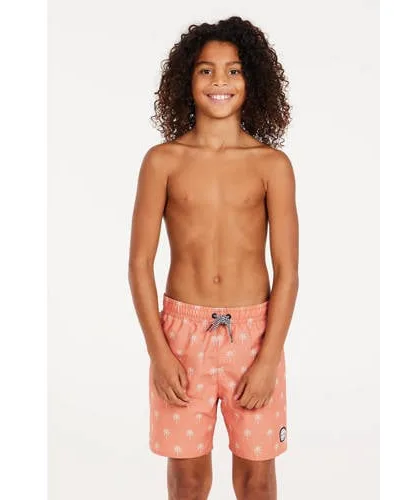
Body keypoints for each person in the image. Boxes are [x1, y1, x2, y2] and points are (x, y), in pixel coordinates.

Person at [128, 16, 299, 500]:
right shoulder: (163, 161)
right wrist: (159, 353)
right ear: (186, 79)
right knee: (187, 480)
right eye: (206, 70)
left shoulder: (271, 165)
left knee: (257, 479)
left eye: (233, 70)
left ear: (252, 81)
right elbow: (139, 264)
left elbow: (288, 272)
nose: (219, 81)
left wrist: (268, 360)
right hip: (181, 337)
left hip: (255, 336)